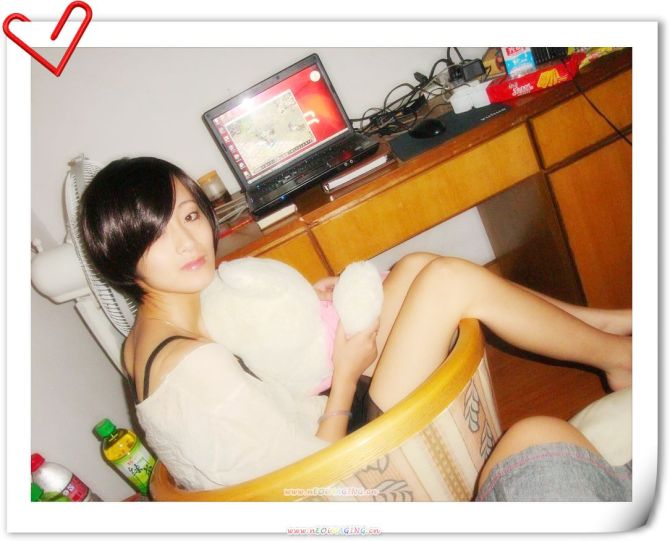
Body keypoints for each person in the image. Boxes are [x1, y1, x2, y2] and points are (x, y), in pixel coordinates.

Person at [80, 156, 632, 492]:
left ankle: (607, 327)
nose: (187, 242)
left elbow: (249, 381)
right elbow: (309, 477)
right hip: (352, 470)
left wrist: (310, 302)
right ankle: (619, 356)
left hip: (323, 426)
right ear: (118, 254)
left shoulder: (150, 333)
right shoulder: (191, 368)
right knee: (447, 282)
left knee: (416, 268)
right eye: (156, 234)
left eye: (189, 215)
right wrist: (346, 373)